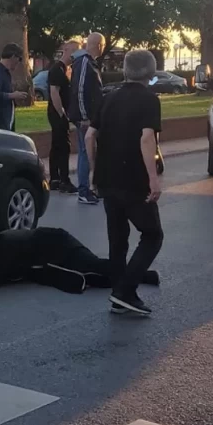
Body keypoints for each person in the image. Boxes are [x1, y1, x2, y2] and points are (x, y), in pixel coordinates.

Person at [85, 48, 164, 316]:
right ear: (151, 72)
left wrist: (93, 172)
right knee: (152, 235)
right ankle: (125, 292)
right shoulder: (149, 100)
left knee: (117, 239)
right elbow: (146, 138)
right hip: (133, 179)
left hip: (107, 178)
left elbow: (89, 136)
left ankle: (118, 292)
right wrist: (153, 179)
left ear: (126, 70)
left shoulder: (109, 97)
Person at [0, 227, 159, 294]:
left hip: (60, 245)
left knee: (95, 267)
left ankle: (142, 274)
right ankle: (140, 276)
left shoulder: (4, 254)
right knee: (94, 275)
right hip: (53, 246)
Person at [69, 32, 106, 205]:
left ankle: (92, 188)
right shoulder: (84, 62)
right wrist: (85, 116)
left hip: (91, 116)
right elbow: (80, 90)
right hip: (85, 117)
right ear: (99, 45)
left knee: (91, 151)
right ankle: (84, 191)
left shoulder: (89, 63)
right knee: (85, 152)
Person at [46, 40, 79, 193]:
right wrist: (62, 113)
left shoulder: (68, 69)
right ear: (65, 49)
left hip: (63, 112)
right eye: (73, 50)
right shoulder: (57, 69)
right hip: (57, 113)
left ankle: (55, 179)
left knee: (57, 144)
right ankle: (63, 180)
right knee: (63, 146)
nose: (74, 54)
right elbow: (54, 93)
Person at [0, 43, 29, 131]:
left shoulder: (4, 73)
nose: (19, 62)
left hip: (3, 123)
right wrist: (12, 95)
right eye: (19, 58)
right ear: (13, 57)